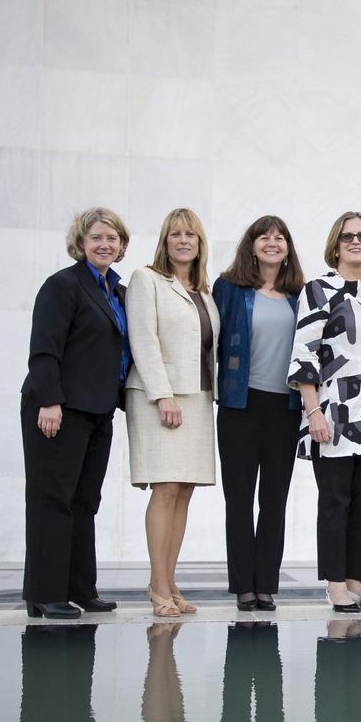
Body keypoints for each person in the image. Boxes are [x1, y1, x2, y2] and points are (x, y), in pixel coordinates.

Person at [21, 207, 130, 619]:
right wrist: (50, 401)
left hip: (98, 410)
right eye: (97, 238)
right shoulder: (62, 286)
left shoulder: (115, 291)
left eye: (112, 239)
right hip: (58, 409)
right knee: (53, 500)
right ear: (81, 243)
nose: (105, 245)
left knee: (86, 501)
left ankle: (81, 589)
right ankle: (46, 594)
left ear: (121, 246)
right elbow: (44, 348)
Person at [289, 211, 361, 612]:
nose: (356, 242)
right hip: (333, 415)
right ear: (336, 245)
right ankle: (335, 583)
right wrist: (313, 410)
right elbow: (304, 353)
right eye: (348, 236)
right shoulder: (319, 289)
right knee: (336, 501)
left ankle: (356, 579)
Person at [124, 207, 220, 617]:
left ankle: (170, 580)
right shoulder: (148, 280)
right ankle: (157, 584)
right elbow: (143, 339)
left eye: (191, 235)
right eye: (175, 234)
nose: (183, 241)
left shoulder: (204, 290)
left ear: (200, 244)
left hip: (197, 397)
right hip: (160, 395)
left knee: (185, 491)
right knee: (164, 489)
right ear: (165, 241)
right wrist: (163, 396)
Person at [213, 216, 305, 612]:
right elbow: (210, 342)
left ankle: (266, 583)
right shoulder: (229, 289)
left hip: (284, 407)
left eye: (279, 236)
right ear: (251, 246)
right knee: (238, 498)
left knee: (273, 499)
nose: (272, 242)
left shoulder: (300, 295)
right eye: (263, 236)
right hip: (240, 404)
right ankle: (243, 586)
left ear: (287, 248)